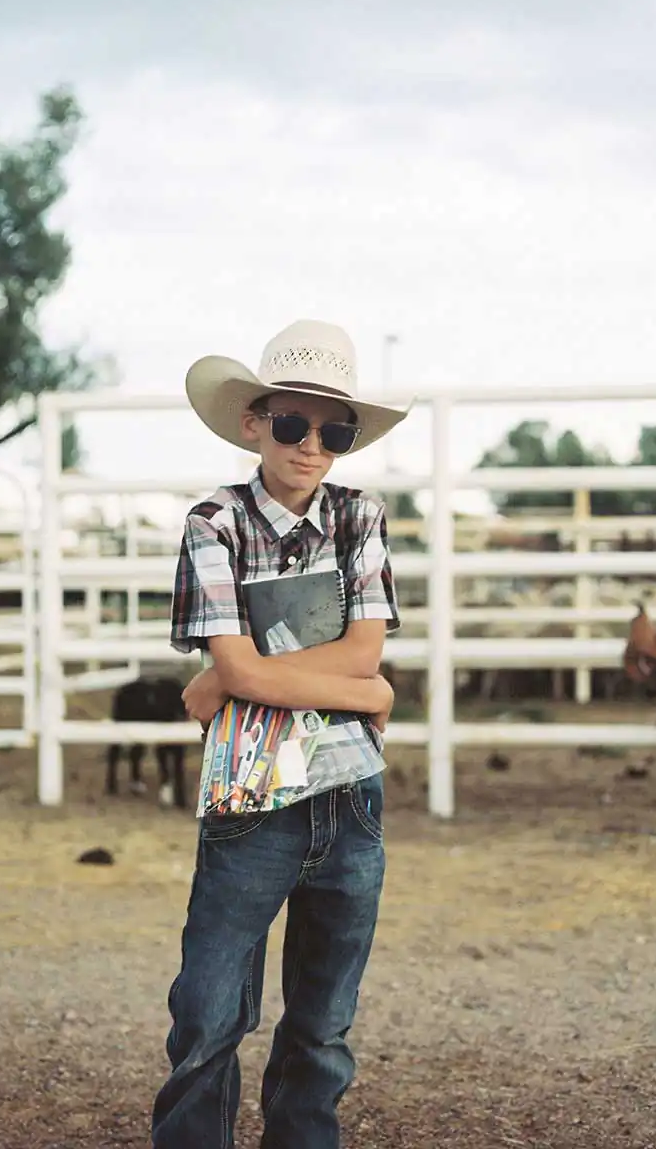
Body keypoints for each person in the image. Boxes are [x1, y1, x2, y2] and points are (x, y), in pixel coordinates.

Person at [151, 318, 412, 1149]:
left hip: (348, 796)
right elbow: (276, 669)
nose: (311, 447)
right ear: (254, 423)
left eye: (335, 432)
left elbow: (350, 653)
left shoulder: (359, 515)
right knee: (207, 1013)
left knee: (324, 1024)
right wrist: (362, 691)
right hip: (251, 798)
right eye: (294, 424)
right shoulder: (215, 522)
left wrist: (236, 676)